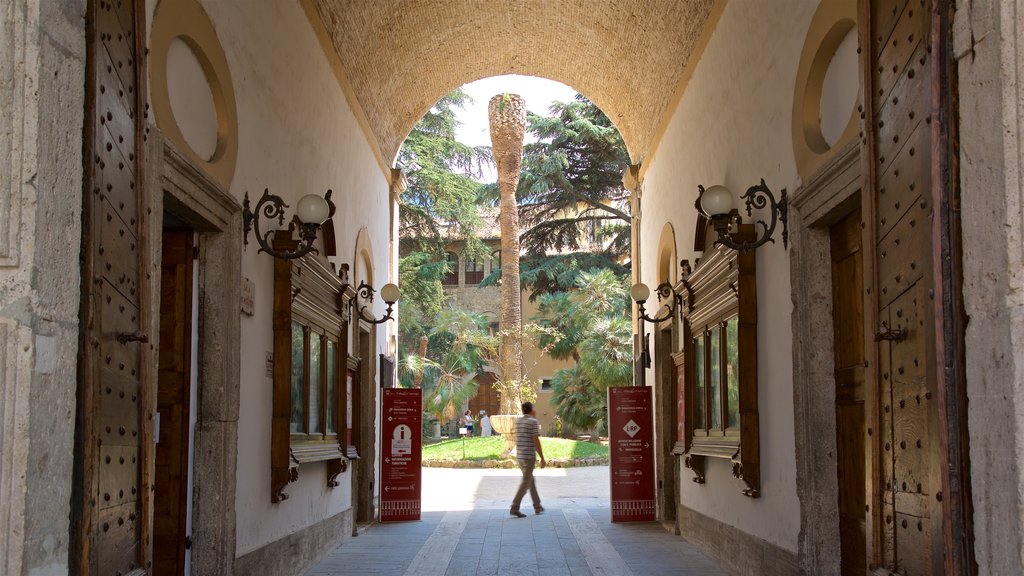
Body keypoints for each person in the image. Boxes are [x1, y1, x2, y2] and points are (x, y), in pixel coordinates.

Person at [510, 401, 545, 518]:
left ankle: (538, 506)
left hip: (520, 456)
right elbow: (536, 440)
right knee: (526, 483)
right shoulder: (533, 422)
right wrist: (542, 458)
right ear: (531, 410)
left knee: (530, 481)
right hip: (529, 456)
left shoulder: (519, 421)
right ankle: (515, 507)